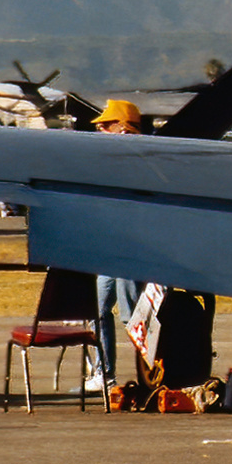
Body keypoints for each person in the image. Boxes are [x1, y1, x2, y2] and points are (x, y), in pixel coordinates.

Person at [89, 99, 145, 390]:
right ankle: (103, 372)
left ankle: (152, 373)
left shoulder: (142, 153)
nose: (99, 127)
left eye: (107, 123)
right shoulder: (106, 156)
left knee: (132, 315)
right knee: (96, 310)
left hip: (134, 246)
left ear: (123, 126)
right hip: (110, 246)